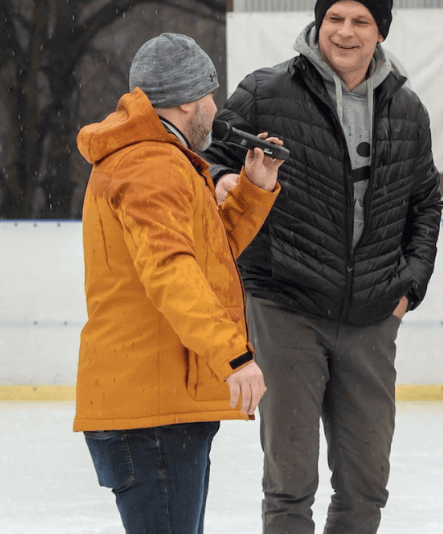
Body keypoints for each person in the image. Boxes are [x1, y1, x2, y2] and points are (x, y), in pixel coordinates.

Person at [201, 0, 443, 534]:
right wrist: (220, 180)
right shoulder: (266, 91)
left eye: (361, 21)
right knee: (289, 482)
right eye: (334, 17)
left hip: (372, 315)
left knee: (365, 483)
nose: (345, 31)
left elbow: (426, 203)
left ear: (380, 31)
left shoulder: (407, 109)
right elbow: (210, 152)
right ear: (319, 21)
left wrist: (410, 284)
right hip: (285, 304)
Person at [74, 32, 283, 534]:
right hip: (152, 412)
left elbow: (205, 260)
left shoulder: (162, 161)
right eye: (210, 94)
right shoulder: (151, 164)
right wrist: (232, 354)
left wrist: (253, 190)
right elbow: (170, 271)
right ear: (189, 99)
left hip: (161, 403)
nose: (215, 105)